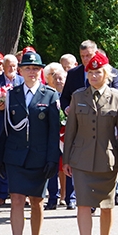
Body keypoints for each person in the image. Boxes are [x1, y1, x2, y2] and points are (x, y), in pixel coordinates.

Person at [0, 51, 60, 235]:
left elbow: (53, 131)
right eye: (27, 68)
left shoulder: (50, 95)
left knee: (37, 202)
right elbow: (4, 128)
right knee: (16, 200)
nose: (31, 72)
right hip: (15, 156)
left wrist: (53, 158)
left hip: (39, 157)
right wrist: (1, 158)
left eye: (35, 68)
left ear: (40, 71)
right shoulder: (11, 94)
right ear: (20, 71)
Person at [63, 52, 118, 235]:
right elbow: (70, 130)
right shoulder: (78, 96)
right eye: (90, 72)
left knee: (107, 206)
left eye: (98, 72)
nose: (93, 76)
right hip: (81, 160)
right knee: (82, 205)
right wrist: (66, 160)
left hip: (107, 160)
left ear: (106, 74)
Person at [0, 54, 25, 207]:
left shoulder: (22, 82)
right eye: (9, 65)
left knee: (19, 159)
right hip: (0, 125)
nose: (12, 68)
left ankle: (19, 192)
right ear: (2, 67)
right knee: (0, 158)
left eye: (14, 65)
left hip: (19, 125)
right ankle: (1, 194)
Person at [43, 62, 73, 210]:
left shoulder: (73, 96)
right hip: (52, 137)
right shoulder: (47, 96)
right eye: (57, 79)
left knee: (69, 167)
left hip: (69, 138)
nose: (59, 81)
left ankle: (70, 198)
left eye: (62, 78)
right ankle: (52, 198)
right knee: (52, 168)